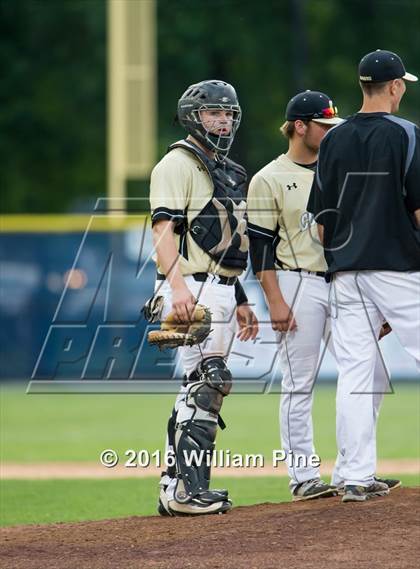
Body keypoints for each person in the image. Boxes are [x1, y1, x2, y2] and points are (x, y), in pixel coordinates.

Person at [247, 90, 397, 502]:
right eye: (323, 125)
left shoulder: (338, 168)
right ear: (299, 126)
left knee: (376, 376)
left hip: (347, 282)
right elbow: (259, 245)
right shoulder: (269, 177)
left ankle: (355, 468)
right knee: (299, 383)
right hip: (298, 283)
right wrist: (273, 299)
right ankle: (303, 476)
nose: (331, 131)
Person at [308, 49, 420, 503]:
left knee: (356, 374)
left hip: (346, 272)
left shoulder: (333, 139)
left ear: (362, 86)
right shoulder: (408, 134)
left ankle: (353, 475)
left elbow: (319, 222)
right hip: (399, 266)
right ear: (395, 87)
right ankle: (355, 473)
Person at [149, 79, 258, 516]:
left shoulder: (227, 169)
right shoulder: (176, 163)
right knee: (207, 384)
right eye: (215, 112)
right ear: (194, 116)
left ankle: (176, 486)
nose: (224, 120)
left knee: (199, 387)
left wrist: (243, 297)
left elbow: (229, 242)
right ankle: (184, 492)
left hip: (223, 287)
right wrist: (175, 289)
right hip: (191, 286)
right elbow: (163, 232)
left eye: (229, 113)